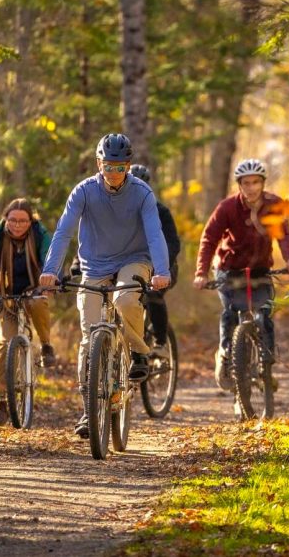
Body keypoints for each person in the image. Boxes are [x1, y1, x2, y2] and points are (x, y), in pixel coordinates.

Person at [39, 133, 171, 438]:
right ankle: (89, 409)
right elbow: (63, 233)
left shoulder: (142, 193)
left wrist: (161, 271)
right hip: (94, 264)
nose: (113, 174)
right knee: (89, 336)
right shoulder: (83, 191)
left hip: (134, 258)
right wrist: (50, 271)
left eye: (120, 168)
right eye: (108, 167)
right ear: (99, 164)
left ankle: (138, 353)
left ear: (128, 166)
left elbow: (154, 234)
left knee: (126, 301)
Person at [192, 158, 289, 392]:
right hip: (229, 270)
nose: (251, 187)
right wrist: (201, 272)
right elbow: (209, 239)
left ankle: (266, 366)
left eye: (255, 182)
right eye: (246, 183)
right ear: (239, 185)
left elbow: (284, 234)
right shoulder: (227, 208)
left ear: (262, 183)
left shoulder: (274, 204)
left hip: (260, 269)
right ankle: (226, 355)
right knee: (231, 313)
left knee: (264, 315)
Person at [0, 198, 56, 426]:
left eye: (22, 221)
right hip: (4, 295)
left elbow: (50, 261)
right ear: (5, 219)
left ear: (31, 221)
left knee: (38, 304)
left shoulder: (40, 234)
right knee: (5, 341)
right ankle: (1, 400)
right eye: (12, 220)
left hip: (34, 289)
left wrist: (48, 283)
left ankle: (46, 345)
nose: (17, 225)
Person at [128, 164, 181, 354]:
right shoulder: (120, 211)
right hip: (132, 267)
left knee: (152, 294)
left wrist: (160, 268)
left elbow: (173, 243)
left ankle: (160, 342)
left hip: (163, 267)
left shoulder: (161, 211)